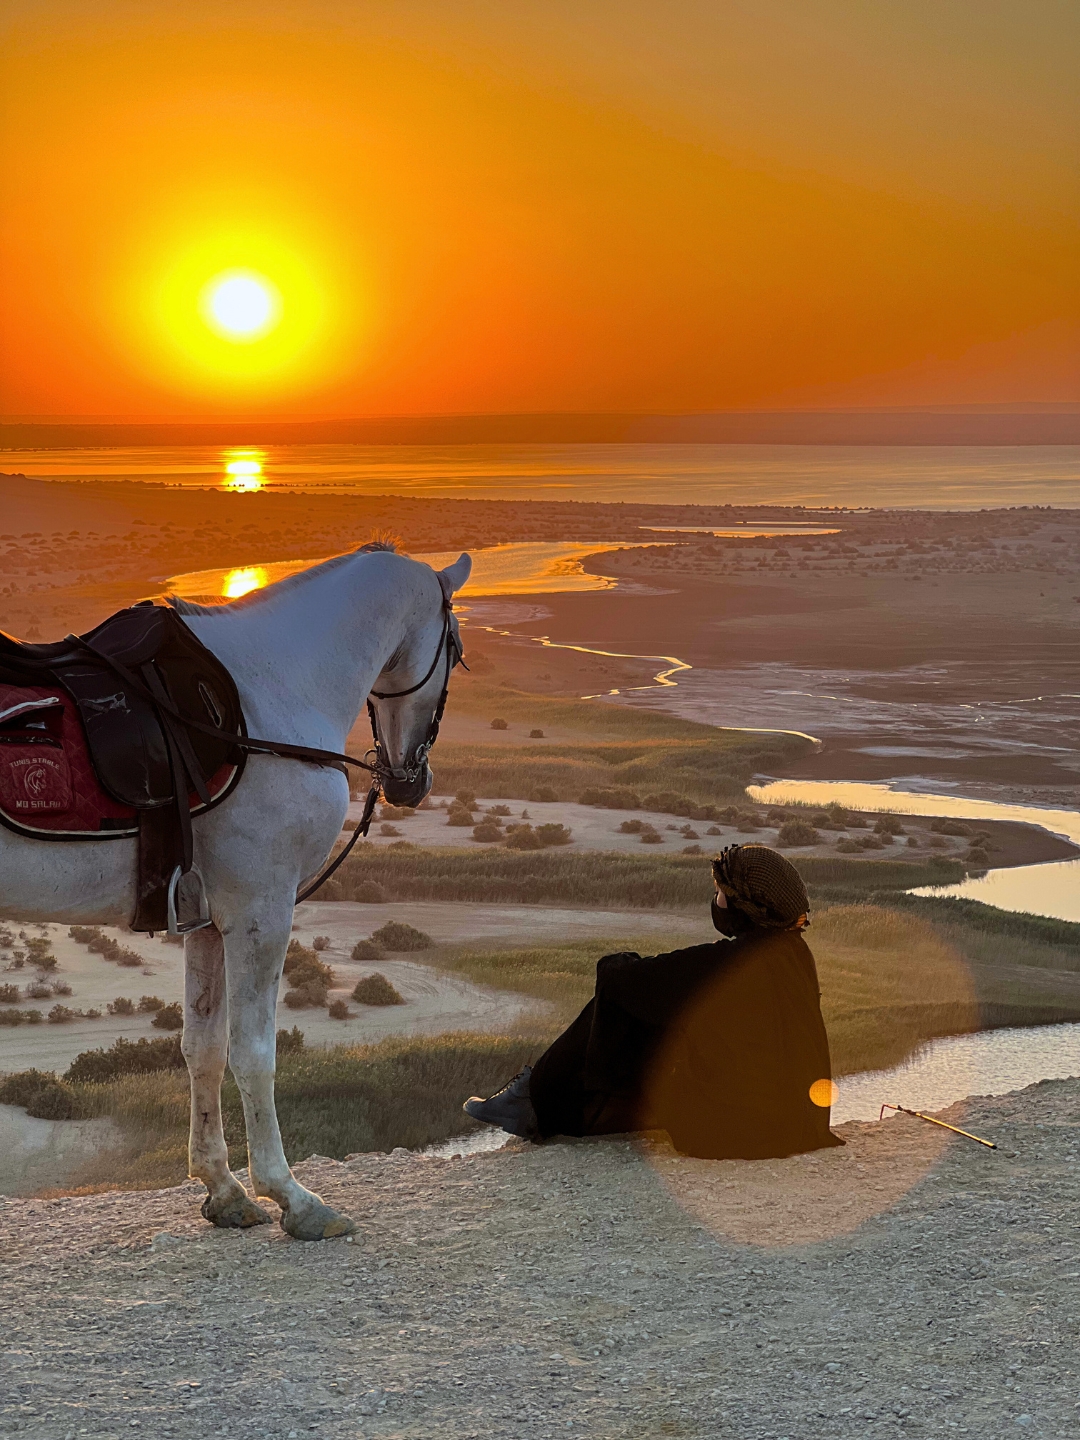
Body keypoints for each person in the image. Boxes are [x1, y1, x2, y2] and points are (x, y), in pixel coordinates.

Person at [463, 844, 843, 1160]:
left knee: (622, 995)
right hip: (800, 1126)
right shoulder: (793, 955)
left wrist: (624, 960)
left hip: (738, 1134)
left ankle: (535, 1097)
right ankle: (533, 1096)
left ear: (746, 905)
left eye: (722, 894)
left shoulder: (731, 965)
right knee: (659, 999)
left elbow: (619, 979)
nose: (717, 901)